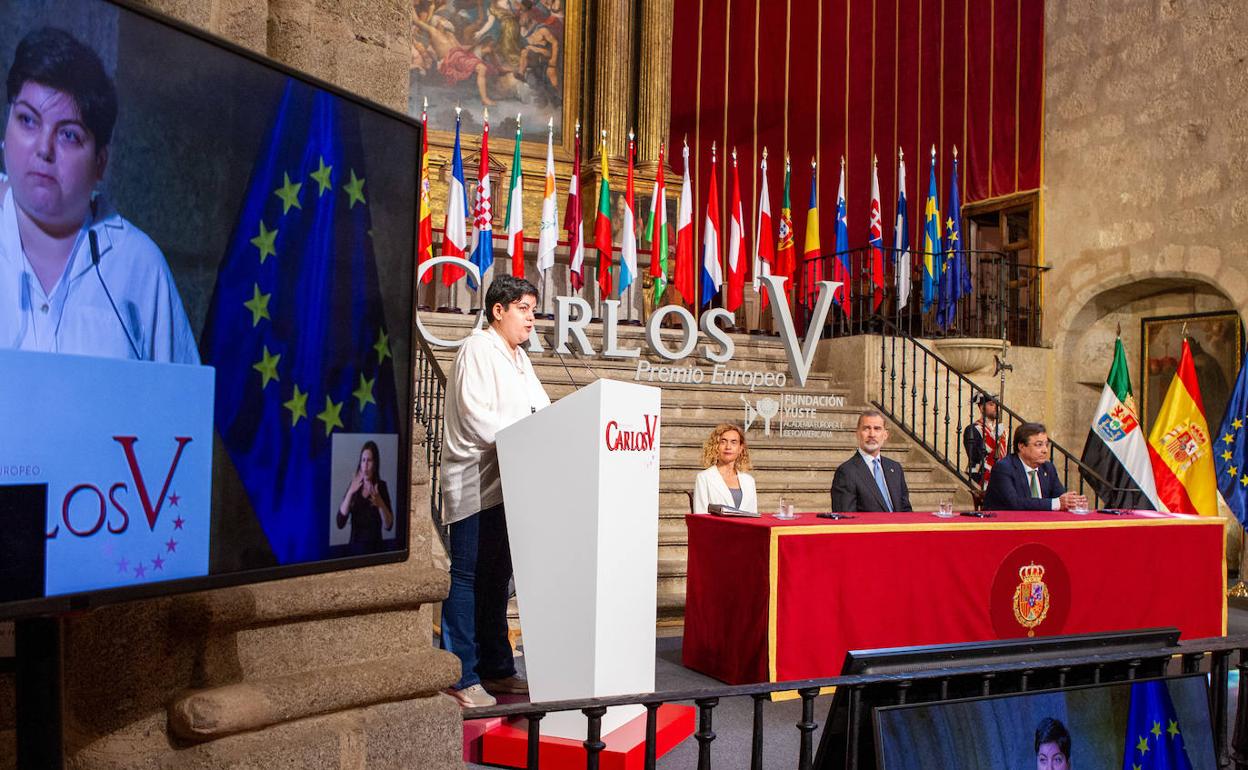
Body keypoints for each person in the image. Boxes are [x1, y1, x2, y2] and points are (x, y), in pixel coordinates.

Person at [0, 27, 198, 363]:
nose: (43, 149)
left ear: (100, 164)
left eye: (68, 135)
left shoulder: (139, 266)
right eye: (28, 121)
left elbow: (181, 410)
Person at [440, 273, 550, 708]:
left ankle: (496, 668)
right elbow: (475, 418)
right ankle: (460, 673)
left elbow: (542, 411)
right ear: (498, 310)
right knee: (466, 578)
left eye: (533, 310)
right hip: (473, 483)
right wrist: (524, 440)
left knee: (496, 579)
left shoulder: (520, 359)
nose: (531, 319)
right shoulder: (475, 350)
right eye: (524, 309)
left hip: (512, 483)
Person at [983, 422, 1088, 511]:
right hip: (1007, 528)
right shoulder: (1004, 468)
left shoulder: (1048, 468)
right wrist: (1056, 504)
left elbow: (1060, 497)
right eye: (1039, 445)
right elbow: (1014, 503)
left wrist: (1073, 503)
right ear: (1022, 446)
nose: (1045, 450)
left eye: (1046, 444)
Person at [830, 409, 912, 513]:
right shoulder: (846, 472)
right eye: (866, 428)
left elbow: (906, 510)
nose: (872, 434)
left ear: (885, 435)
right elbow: (846, 519)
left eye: (877, 429)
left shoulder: (895, 468)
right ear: (858, 433)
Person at [336, 440, 394, 552]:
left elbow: (389, 526)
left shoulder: (381, 486)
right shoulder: (354, 485)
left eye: (369, 460)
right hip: (354, 549)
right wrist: (350, 492)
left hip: (376, 549)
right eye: (363, 460)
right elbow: (340, 522)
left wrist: (380, 502)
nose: (365, 465)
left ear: (375, 463)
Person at [691, 423, 758, 513]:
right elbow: (700, 516)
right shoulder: (704, 478)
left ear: (740, 448)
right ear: (716, 447)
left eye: (733, 442)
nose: (728, 447)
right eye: (723, 442)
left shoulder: (749, 481)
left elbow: (754, 516)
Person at [963, 393, 1007, 490]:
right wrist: (993, 437)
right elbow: (974, 456)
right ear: (982, 408)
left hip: (998, 476)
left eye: (996, 405)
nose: (995, 407)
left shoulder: (1001, 431)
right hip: (979, 476)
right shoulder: (972, 429)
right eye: (991, 404)